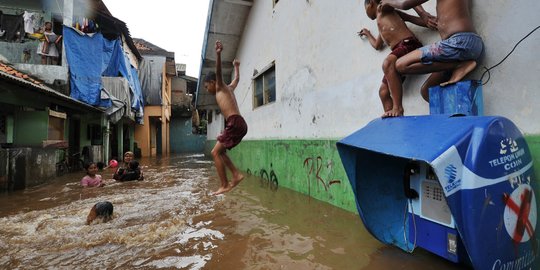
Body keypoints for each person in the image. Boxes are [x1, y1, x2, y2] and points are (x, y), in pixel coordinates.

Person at [380, 0, 484, 102]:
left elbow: (404, 4)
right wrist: (411, 17)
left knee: (400, 65)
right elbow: (442, 21)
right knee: (428, 92)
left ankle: (459, 65)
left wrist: (387, 2)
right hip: (468, 47)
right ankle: (456, 115)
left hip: (459, 43)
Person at [358, 0, 435, 117]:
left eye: (365, 9)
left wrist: (423, 15)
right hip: (399, 51)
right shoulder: (381, 22)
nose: (366, 13)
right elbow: (377, 45)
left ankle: (397, 108)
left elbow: (407, 7)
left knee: (387, 63)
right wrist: (368, 34)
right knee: (383, 92)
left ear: (371, 3)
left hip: (408, 44)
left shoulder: (382, 8)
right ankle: (394, 121)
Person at [203, 40, 248, 195]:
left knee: (214, 153)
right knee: (221, 151)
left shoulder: (220, 87)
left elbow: (219, 72)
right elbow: (237, 80)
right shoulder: (229, 88)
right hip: (239, 123)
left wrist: (218, 54)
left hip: (235, 122)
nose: (206, 89)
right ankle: (236, 174)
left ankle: (224, 184)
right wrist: (237, 67)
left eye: (206, 85)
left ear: (212, 82)